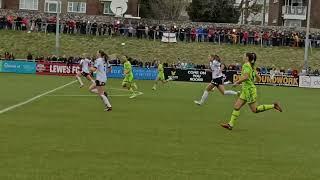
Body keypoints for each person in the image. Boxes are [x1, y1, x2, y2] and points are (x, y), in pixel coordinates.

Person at [221, 53, 282, 130]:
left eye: (244, 55)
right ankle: (230, 124)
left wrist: (237, 82)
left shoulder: (246, 65)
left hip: (249, 90)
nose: (242, 56)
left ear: (247, 57)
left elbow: (246, 77)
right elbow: (259, 79)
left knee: (255, 110)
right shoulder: (252, 67)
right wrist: (250, 82)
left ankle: (274, 106)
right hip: (246, 90)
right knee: (236, 106)